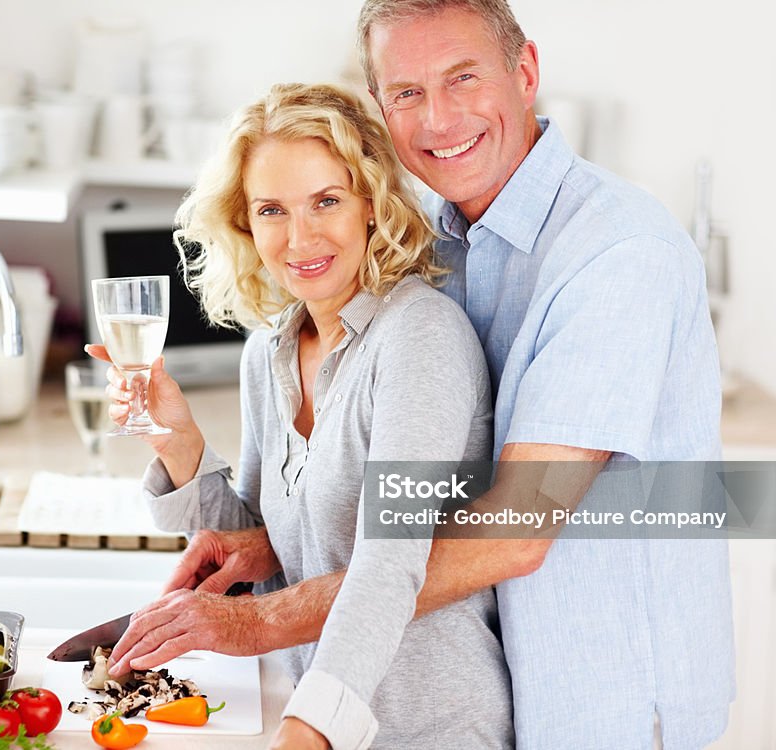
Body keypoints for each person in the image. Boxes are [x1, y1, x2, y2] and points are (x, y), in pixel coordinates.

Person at [105, 2, 736, 749]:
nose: (437, 118)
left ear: (525, 72)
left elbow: (513, 533)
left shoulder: (616, 256)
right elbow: (406, 489)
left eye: (462, 78)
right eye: (406, 91)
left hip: (611, 695)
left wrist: (257, 623)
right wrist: (259, 528)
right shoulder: (438, 246)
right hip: (484, 691)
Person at [88, 82, 514, 749]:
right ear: (245, 225)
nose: (300, 236)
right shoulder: (268, 354)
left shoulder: (419, 337)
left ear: (371, 204)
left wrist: (306, 730)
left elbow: (391, 562)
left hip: (430, 728)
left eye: (327, 201)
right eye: (272, 211)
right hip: (310, 716)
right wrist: (179, 442)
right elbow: (263, 552)